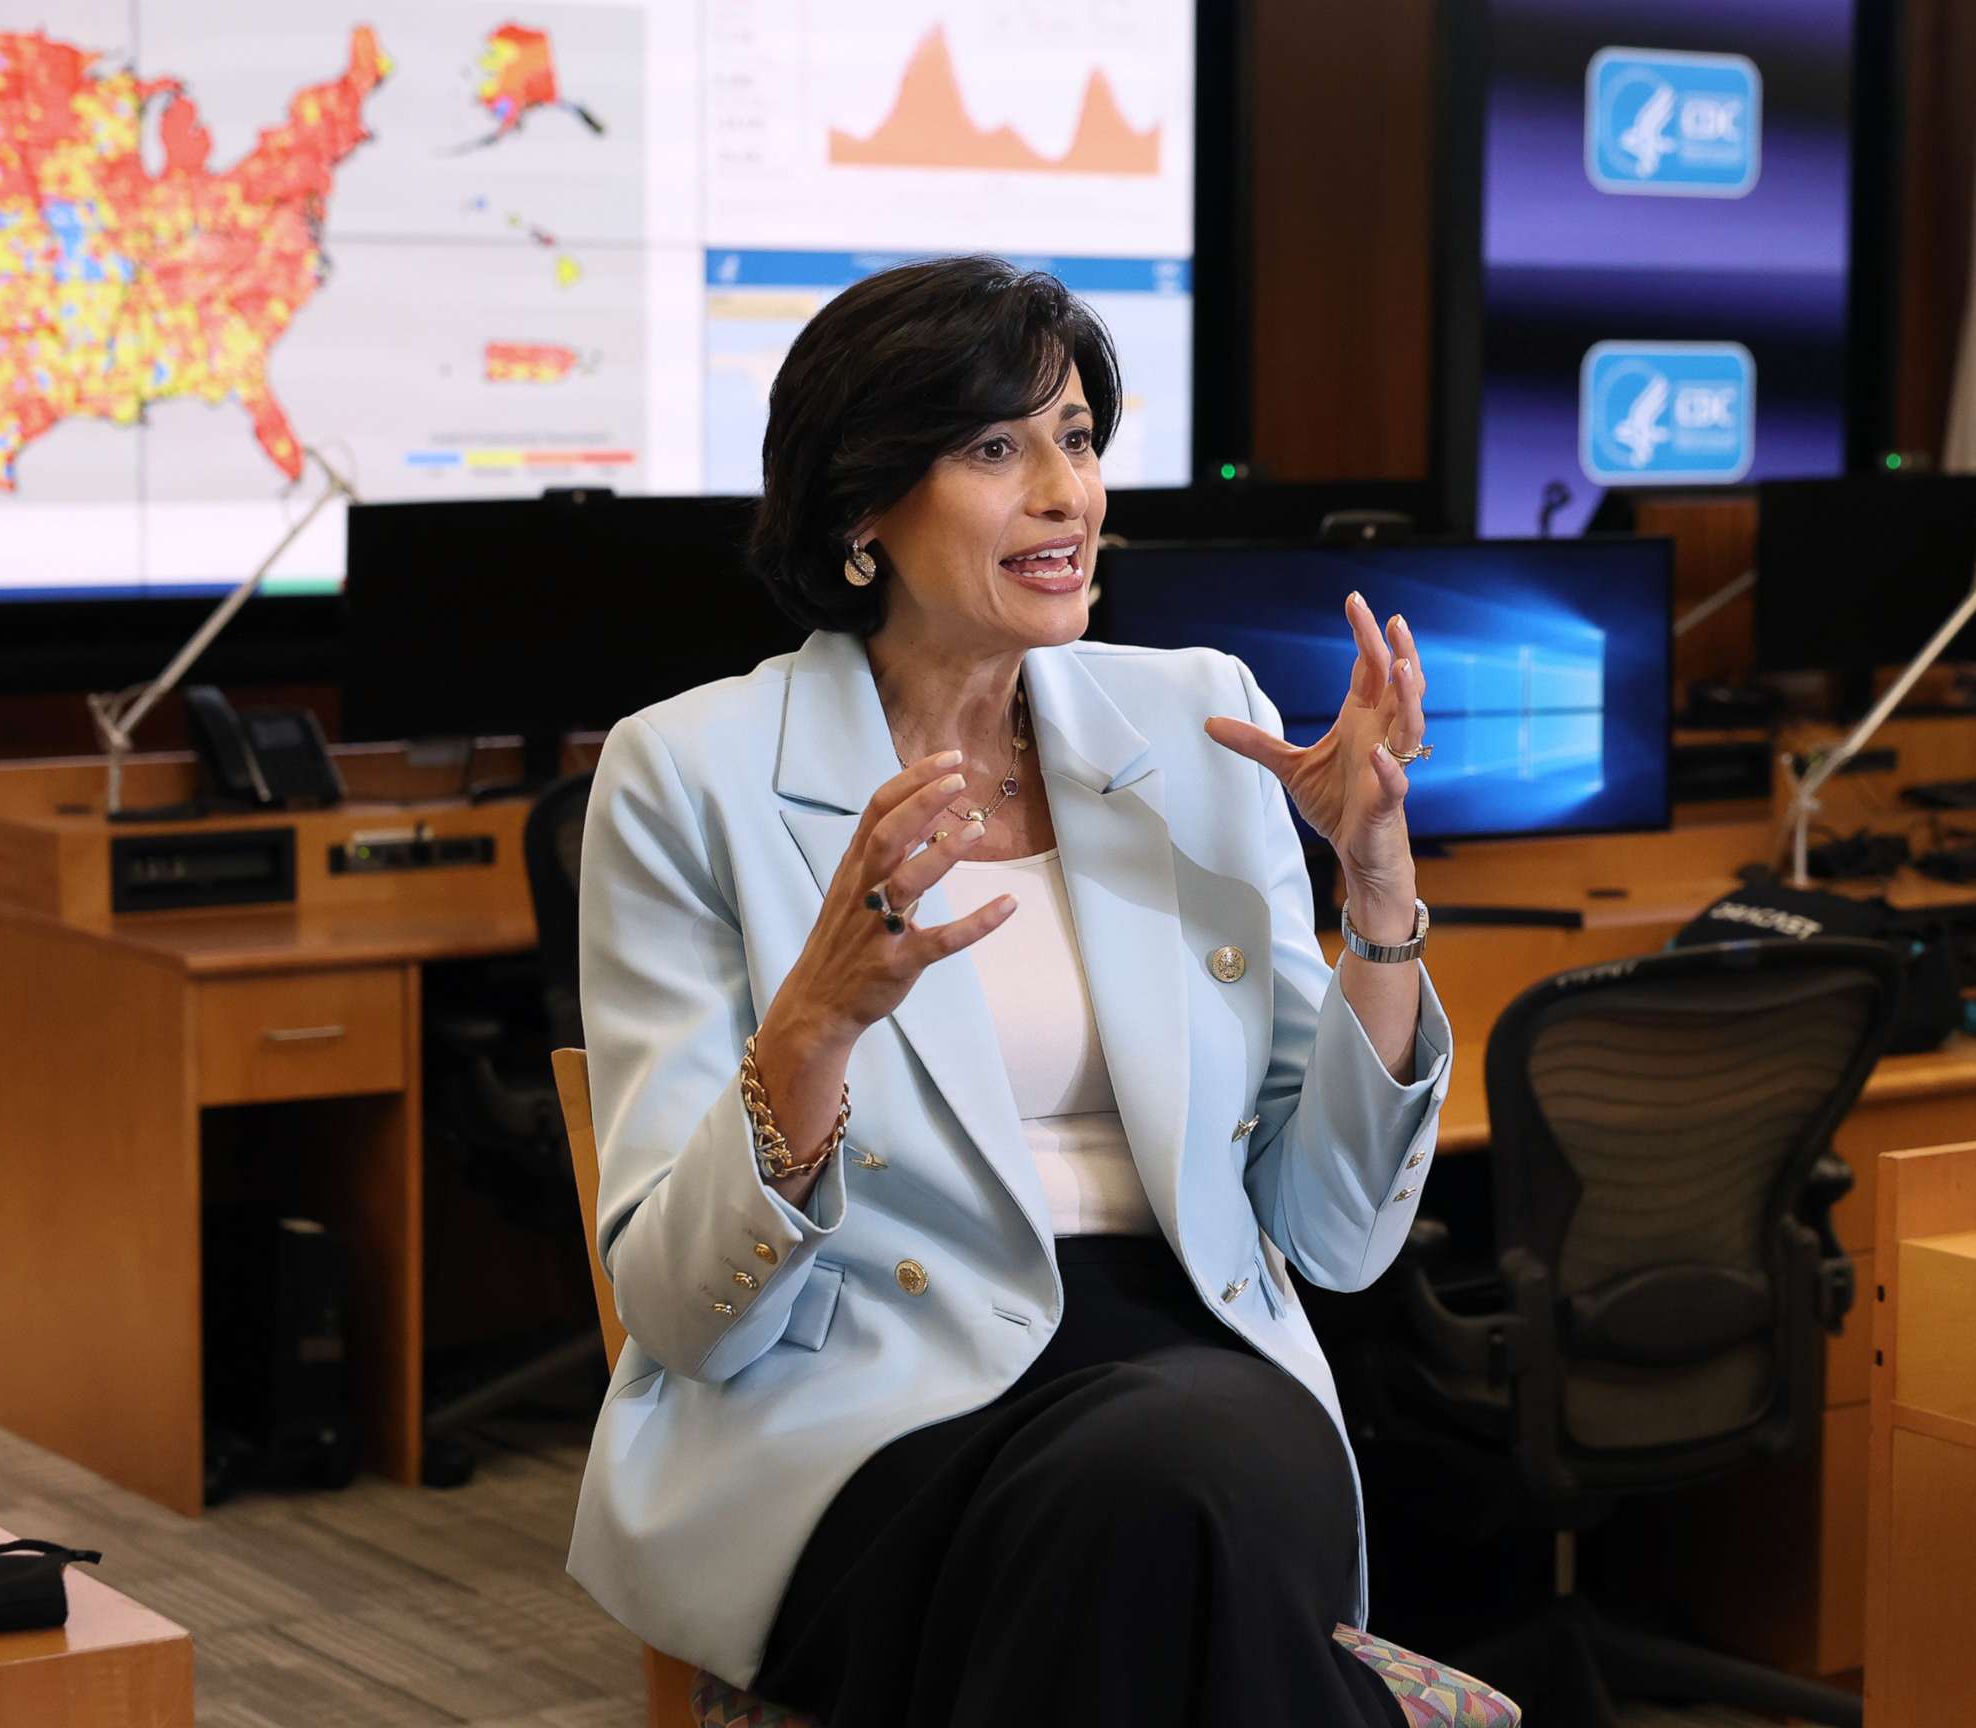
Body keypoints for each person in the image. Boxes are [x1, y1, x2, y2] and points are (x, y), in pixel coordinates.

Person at [566, 255, 1452, 1725]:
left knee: (1184, 1482)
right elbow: (678, 1311)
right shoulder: (688, 771)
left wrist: (1372, 889)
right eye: (997, 449)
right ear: (862, 508)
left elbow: (1336, 1232)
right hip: (863, 1404)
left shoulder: (1200, 718)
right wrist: (819, 1019)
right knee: (1183, 1509)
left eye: (1080, 439)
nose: (1067, 493)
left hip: (1200, 1347)